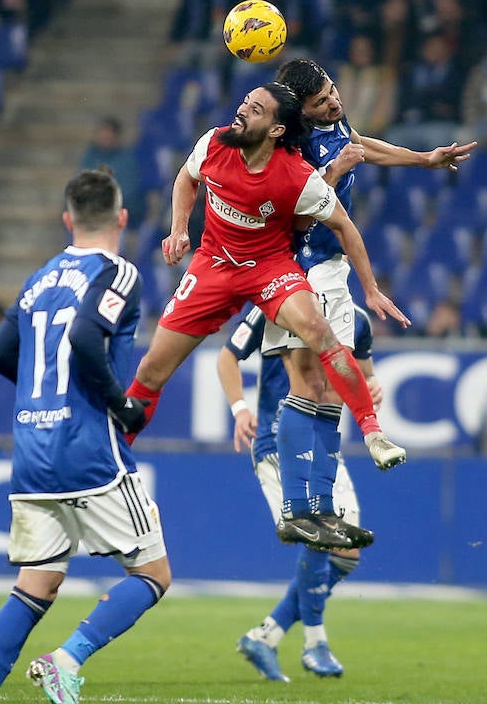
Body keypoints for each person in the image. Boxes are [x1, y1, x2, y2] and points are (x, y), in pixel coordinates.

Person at [123, 83, 412, 549]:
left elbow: (343, 225)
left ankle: (374, 432)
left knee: (320, 332)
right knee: (151, 371)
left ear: (277, 129)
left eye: (254, 110)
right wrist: (179, 229)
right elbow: (185, 178)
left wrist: (371, 289)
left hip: (268, 267)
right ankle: (113, 463)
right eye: (243, 104)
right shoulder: (214, 143)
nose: (241, 112)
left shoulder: (296, 175)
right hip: (213, 266)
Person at [0, 169, 165, 704]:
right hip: (87, 449)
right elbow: (87, 339)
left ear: (67, 219)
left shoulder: (41, 278)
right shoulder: (118, 271)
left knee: (36, 583)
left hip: (32, 451)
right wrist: (120, 406)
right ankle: (67, 662)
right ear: (122, 218)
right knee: (153, 574)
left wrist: (44, 392)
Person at [264, 60, 474, 549]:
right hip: (304, 267)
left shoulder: (333, 124)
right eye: (320, 102)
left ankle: (315, 508)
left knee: (320, 389)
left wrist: (424, 159)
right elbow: (294, 205)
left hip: (322, 269)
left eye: (333, 91)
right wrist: (334, 171)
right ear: (302, 111)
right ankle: (301, 506)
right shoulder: (290, 145)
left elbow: (361, 146)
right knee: (313, 384)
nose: (333, 102)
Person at [218, 302, 379, 680]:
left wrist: (371, 388)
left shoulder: (357, 319)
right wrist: (240, 408)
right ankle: (314, 642)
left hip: (325, 446)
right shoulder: (277, 305)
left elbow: (365, 375)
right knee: (320, 536)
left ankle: (265, 636)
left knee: (347, 552)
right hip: (279, 440)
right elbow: (227, 358)